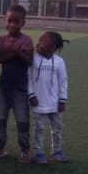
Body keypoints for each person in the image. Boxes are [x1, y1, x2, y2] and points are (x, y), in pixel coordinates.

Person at [0, 6, 34, 162]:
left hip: (20, 89)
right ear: (5, 21)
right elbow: (0, 59)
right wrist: (14, 51)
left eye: (16, 21)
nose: (12, 24)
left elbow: (28, 61)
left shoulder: (27, 40)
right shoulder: (1, 39)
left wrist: (16, 51)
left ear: (23, 23)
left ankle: (25, 150)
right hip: (4, 87)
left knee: (22, 120)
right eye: (9, 21)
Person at [28, 32, 69, 163]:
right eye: (39, 40)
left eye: (43, 41)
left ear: (53, 47)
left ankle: (57, 151)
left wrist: (62, 100)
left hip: (55, 103)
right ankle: (38, 152)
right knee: (39, 128)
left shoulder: (59, 62)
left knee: (57, 128)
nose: (39, 42)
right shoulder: (32, 59)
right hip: (39, 102)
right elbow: (28, 78)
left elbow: (63, 82)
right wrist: (31, 95)